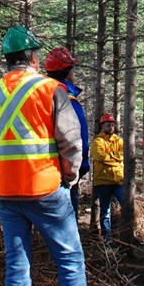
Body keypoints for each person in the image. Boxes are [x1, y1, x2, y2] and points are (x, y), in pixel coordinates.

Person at [0, 25, 86, 286]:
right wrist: (69, 177)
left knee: (17, 265)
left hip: (5, 194)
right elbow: (71, 142)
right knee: (69, 260)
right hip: (46, 189)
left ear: (8, 59)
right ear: (33, 57)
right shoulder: (51, 89)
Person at [44, 47, 90, 220]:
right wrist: (77, 173)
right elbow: (79, 141)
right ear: (68, 71)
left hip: (42, 175)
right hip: (63, 178)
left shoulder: (40, 95)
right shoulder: (67, 98)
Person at [91, 113, 124, 240]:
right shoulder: (97, 141)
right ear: (102, 126)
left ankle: (125, 236)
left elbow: (122, 155)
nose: (110, 127)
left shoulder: (120, 141)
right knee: (105, 212)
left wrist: (109, 157)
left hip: (118, 181)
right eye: (107, 125)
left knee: (126, 207)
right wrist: (115, 158)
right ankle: (107, 240)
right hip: (103, 181)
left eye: (112, 125)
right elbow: (99, 156)